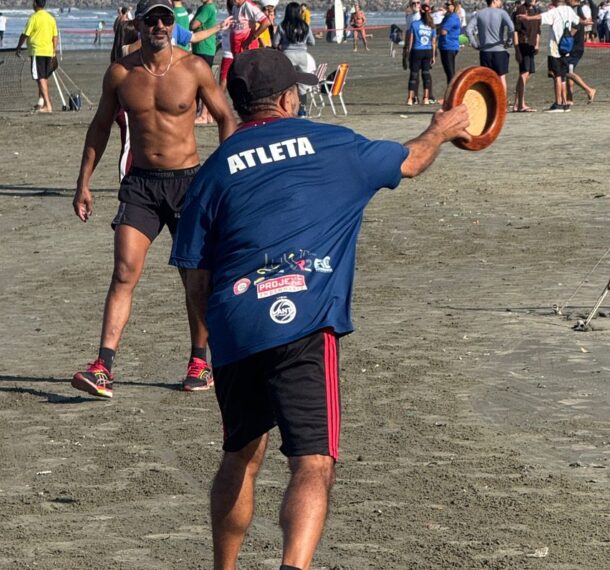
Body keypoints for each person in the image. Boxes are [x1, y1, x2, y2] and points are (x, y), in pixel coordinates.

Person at [169, 46, 470, 570]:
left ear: (238, 105)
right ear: (288, 98)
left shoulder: (213, 171)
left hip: (234, 326)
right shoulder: (336, 145)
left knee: (240, 452)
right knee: (312, 463)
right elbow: (412, 160)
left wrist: (213, 338)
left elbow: (195, 275)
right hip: (304, 321)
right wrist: (440, 129)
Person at [70, 0, 237, 399]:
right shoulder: (121, 74)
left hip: (189, 184)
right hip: (141, 185)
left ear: (171, 25)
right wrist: (83, 183)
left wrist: (227, 171)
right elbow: (100, 127)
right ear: (140, 25)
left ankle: (200, 362)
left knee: (196, 280)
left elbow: (225, 117)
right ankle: (103, 367)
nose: (160, 25)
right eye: (152, 20)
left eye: (166, 19)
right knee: (124, 271)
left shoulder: (194, 67)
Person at [520, 0, 577, 112]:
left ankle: (558, 103)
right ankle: (565, 103)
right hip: (566, 48)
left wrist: (527, 18)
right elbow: (578, 22)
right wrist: (570, 34)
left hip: (555, 48)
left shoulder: (554, 12)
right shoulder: (569, 10)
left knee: (557, 76)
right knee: (563, 76)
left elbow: (540, 17)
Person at [15, 0, 59, 114]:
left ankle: (48, 106)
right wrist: (54, 51)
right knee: (43, 77)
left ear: (35, 4)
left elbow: (25, 34)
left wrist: (18, 46)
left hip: (37, 51)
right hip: (48, 51)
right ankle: (41, 102)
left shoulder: (33, 18)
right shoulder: (51, 18)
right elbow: (55, 37)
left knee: (40, 78)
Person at [274, 1, 315, 116]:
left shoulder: (283, 26)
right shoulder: (305, 26)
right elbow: (313, 42)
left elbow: (275, 42)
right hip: (302, 55)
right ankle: (302, 110)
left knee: (287, 83)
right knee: (302, 83)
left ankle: (287, 108)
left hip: (287, 55)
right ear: (299, 12)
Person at [466, 0, 515, 93]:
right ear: (494, 1)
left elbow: (468, 29)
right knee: (501, 77)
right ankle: (502, 105)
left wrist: (475, 44)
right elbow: (511, 27)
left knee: (487, 79)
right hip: (499, 50)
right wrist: (509, 41)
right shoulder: (501, 13)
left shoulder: (479, 14)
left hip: (485, 52)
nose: (501, 2)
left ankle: (490, 105)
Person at [512, 0, 540, 112]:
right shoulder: (520, 10)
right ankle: (520, 104)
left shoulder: (536, 10)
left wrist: (537, 44)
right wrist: (516, 49)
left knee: (527, 74)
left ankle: (516, 103)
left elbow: (538, 30)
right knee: (524, 73)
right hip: (523, 44)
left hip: (531, 45)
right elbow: (515, 31)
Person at [406, 3, 436, 105]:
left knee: (414, 74)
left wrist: (408, 53)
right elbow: (433, 42)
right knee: (426, 74)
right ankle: (426, 98)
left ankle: (410, 99)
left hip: (417, 50)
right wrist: (433, 55)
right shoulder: (432, 25)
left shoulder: (415, 24)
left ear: (420, 12)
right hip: (427, 51)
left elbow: (411, 40)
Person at [438, 0, 462, 85]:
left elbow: (443, 31)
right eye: (446, 4)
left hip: (449, 47)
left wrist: (438, 29)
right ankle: (451, 91)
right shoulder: (448, 17)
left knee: (450, 73)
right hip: (445, 46)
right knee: (448, 72)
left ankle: (452, 92)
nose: (447, 6)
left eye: (449, 5)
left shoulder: (453, 17)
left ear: (454, 6)